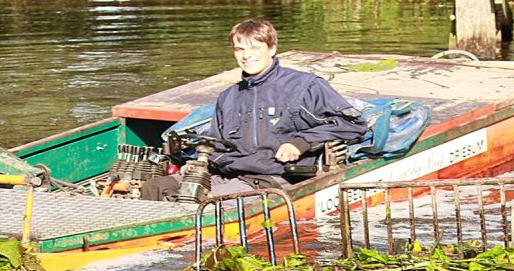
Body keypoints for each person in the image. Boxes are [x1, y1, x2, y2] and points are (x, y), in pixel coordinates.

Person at [141, 19, 367, 201]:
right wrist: (200, 163)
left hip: (271, 177)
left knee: (197, 202)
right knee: (155, 188)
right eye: (239, 49)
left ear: (272, 49)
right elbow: (218, 144)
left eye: (254, 47)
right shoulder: (228, 97)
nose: (246, 56)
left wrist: (300, 143)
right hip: (228, 174)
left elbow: (352, 124)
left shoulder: (305, 86)